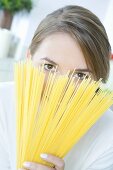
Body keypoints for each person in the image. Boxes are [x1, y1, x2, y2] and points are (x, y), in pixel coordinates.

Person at [0, 5, 113, 170]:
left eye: (80, 76)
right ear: (29, 57)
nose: (60, 87)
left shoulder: (108, 133)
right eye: (49, 66)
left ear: (98, 79)